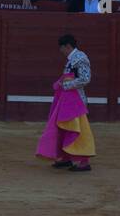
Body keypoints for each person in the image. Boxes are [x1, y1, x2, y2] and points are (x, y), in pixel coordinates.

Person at [37, 34, 96, 173]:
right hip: (68, 100)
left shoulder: (80, 58)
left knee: (78, 130)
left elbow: (85, 79)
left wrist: (66, 85)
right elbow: (68, 77)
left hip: (76, 102)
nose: (61, 51)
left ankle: (84, 162)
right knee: (64, 128)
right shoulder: (71, 60)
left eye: (62, 48)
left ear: (68, 46)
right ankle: (66, 158)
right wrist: (61, 82)